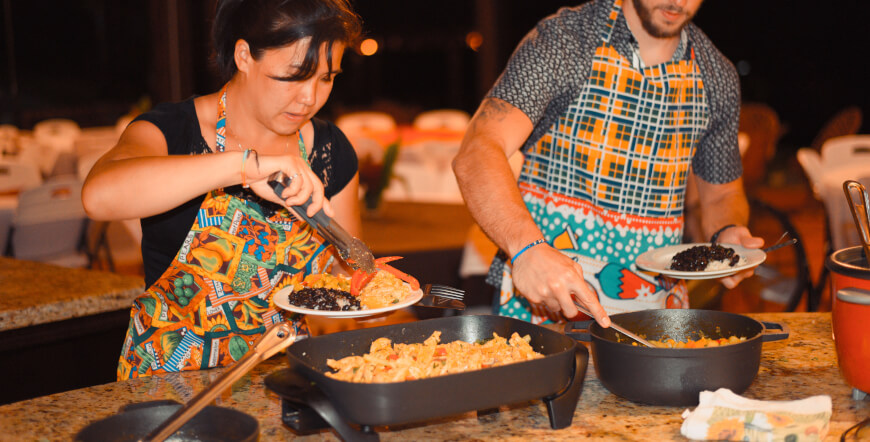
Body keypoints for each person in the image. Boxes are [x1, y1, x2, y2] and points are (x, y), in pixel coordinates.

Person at [82, 0, 362, 380]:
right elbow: (98, 196)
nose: (310, 97)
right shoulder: (171, 130)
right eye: (295, 75)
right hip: (169, 384)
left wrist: (366, 285)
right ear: (244, 56)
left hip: (285, 381)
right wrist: (244, 165)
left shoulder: (329, 151)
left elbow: (348, 274)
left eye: (326, 78)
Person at [452, 0, 764, 327]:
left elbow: (722, 196)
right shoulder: (564, 41)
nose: (678, 1)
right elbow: (478, 150)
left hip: (657, 310)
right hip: (548, 298)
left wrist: (727, 232)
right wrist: (525, 248)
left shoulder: (718, 77)